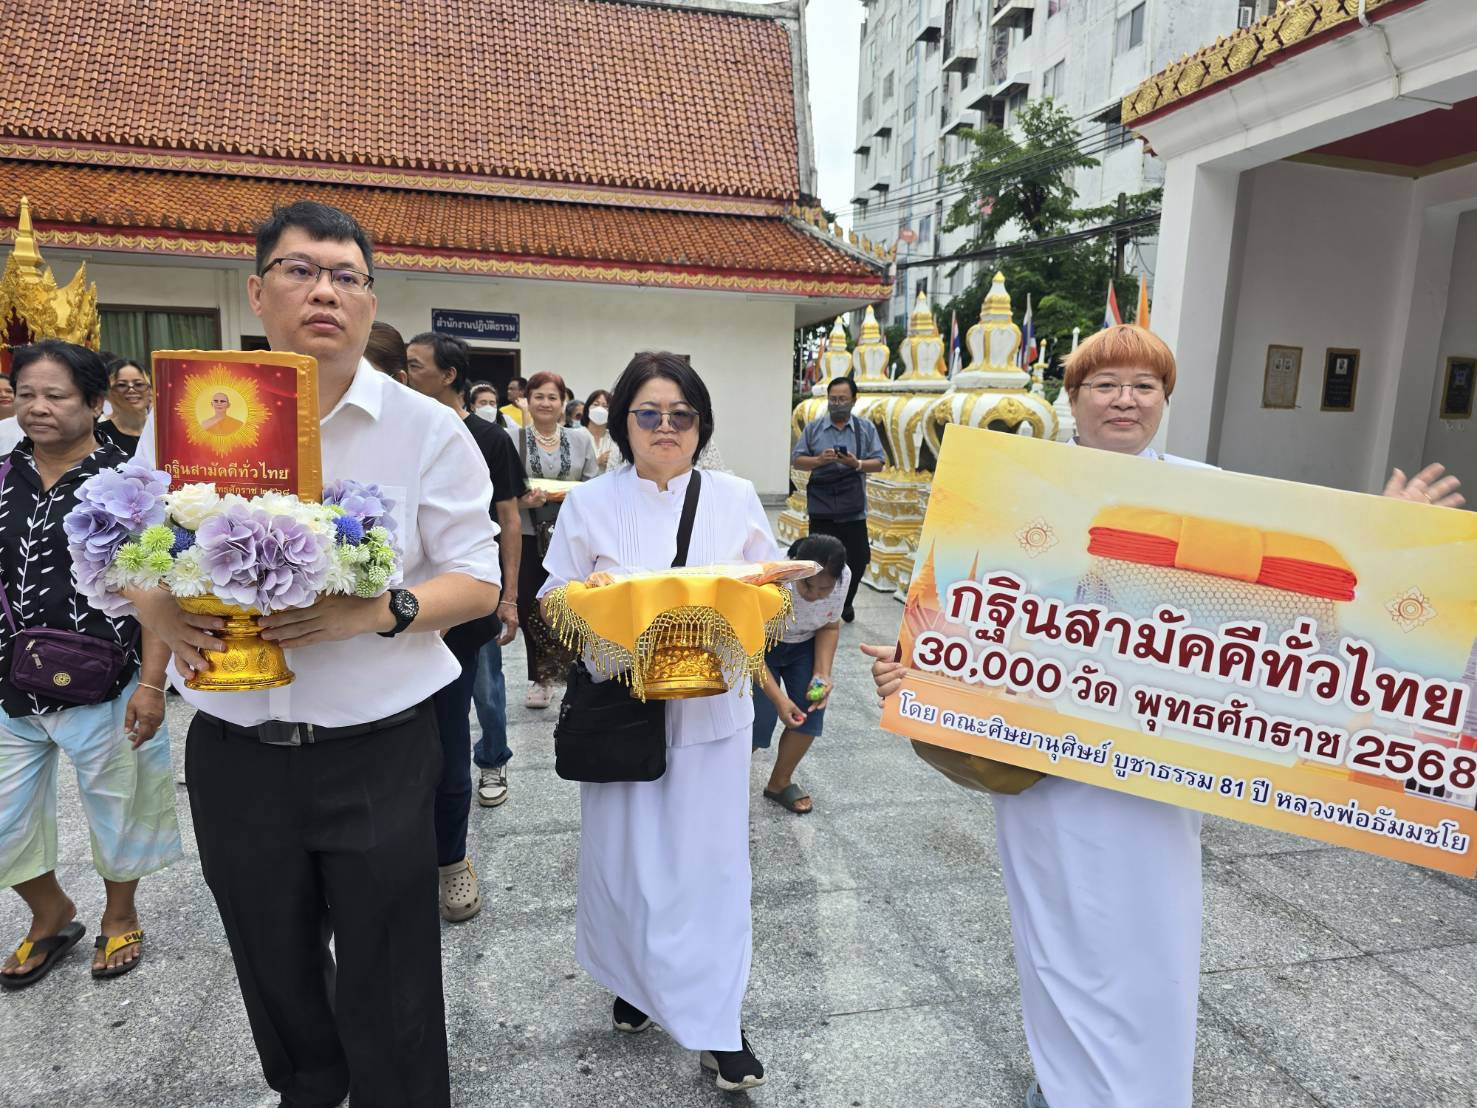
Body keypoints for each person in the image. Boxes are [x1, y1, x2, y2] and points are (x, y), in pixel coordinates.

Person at [862, 324, 1464, 1108]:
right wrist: (916, 671)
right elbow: (964, 614)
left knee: (1152, 945)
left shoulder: (1202, 487)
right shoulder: (1020, 489)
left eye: (1143, 386)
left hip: (1160, 772)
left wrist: (1387, 534)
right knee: (1058, 938)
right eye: (1103, 384)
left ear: (1164, 402)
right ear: (1069, 398)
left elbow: (1301, 600)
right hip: (1046, 771)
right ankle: (1067, 1086)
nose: (1124, 400)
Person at [125, 201, 502, 1108]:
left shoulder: (425, 430)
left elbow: (478, 581)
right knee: (269, 953)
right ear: (258, 293)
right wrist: (159, 618)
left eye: (346, 276)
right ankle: (308, 1089)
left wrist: (375, 612)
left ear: (371, 302)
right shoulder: (192, 418)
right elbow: (134, 548)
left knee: (391, 966)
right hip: (235, 748)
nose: (324, 291)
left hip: (375, 748)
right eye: (299, 271)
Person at [539, 351, 776, 1092]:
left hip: (711, 715)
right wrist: (594, 601)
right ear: (621, 421)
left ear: (700, 424)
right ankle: (632, 981)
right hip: (623, 712)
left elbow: (769, 590)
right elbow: (551, 598)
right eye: (648, 413)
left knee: (708, 873)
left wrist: (763, 595)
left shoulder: (734, 497)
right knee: (624, 866)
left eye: (681, 415)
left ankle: (716, 1023)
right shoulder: (588, 503)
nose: (664, 427)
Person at [0, 340, 179, 989]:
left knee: (120, 805)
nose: (38, 408)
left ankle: (118, 915)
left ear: (94, 403)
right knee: (3, 817)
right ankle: (50, 913)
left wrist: (153, 683)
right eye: (26, 395)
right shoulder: (1, 475)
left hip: (108, 677)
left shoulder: (128, 484)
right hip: (8, 684)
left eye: (56, 395)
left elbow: (161, 586)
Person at [405, 331, 524, 912]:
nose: (404, 375)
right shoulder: (397, 434)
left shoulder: (487, 439)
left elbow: (507, 519)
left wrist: (508, 596)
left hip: (458, 619)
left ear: (448, 374)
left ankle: (452, 856)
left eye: (413, 365)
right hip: (383, 627)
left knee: (458, 731)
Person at [515, 370, 599, 709]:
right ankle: (542, 676)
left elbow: (594, 484)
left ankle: (576, 667)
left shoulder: (580, 440)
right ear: (528, 400)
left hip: (571, 535)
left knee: (571, 603)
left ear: (563, 402)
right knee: (531, 606)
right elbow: (503, 487)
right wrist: (523, 500)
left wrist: (570, 497)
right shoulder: (513, 439)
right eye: (539, 396)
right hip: (526, 534)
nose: (546, 403)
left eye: (552, 397)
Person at [752, 533, 846, 816]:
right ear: (796, 567)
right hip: (760, 646)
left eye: (824, 588)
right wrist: (779, 700)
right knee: (756, 722)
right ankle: (723, 784)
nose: (815, 594)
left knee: (810, 712)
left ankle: (779, 783)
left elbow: (829, 626)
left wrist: (822, 674)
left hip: (803, 644)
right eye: (808, 585)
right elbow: (747, 646)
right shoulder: (771, 578)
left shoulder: (843, 580)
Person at [792, 376, 885, 623]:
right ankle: (817, 602)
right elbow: (798, 460)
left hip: (853, 507)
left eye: (842, 399)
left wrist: (857, 463)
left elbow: (879, 463)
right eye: (833, 399)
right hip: (822, 507)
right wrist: (819, 461)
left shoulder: (865, 429)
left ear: (854, 400)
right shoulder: (813, 428)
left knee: (858, 557)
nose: (837, 403)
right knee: (817, 559)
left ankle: (845, 601)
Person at [95, 357, 151, 457]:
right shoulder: (99, 435)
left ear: (150, 390)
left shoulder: (162, 431)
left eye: (139, 384)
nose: (131, 390)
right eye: (121, 385)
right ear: (107, 393)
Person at [584, 388, 620, 473]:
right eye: (596, 404)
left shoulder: (615, 439)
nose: (600, 409)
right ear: (587, 408)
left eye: (605, 406)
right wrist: (597, 462)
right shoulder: (577, 435)